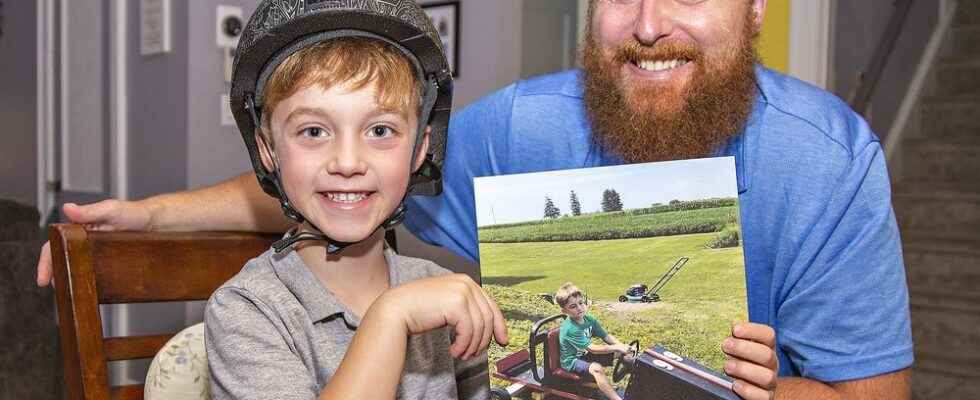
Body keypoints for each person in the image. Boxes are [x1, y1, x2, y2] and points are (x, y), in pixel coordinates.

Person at [35, 0, 913, 398]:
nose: (648, 22)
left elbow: (876, 394)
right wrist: (147, 216)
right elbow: (340, 185)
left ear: (759, 7)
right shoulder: (515, 130)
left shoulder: (828, 163)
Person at [201, 2, 505, 399]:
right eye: (313, 131)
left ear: (419, 149)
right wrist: (390, 317)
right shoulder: (247, 311)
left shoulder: (444, 292)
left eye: (380, 130)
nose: (347, 162)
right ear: (268, 149)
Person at [555, 283, 632, 400]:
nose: (579, 308)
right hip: (572, 361)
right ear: (564, 311)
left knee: (622, 353)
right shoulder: (571, 329)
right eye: (573, 306)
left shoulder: (589, 319)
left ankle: (628, 368)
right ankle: (616, 398)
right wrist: (617, 348)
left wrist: (621, 346)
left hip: (585, 354)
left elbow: (606, 336)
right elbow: (593, 349)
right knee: (596, 368)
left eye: (581, 303)